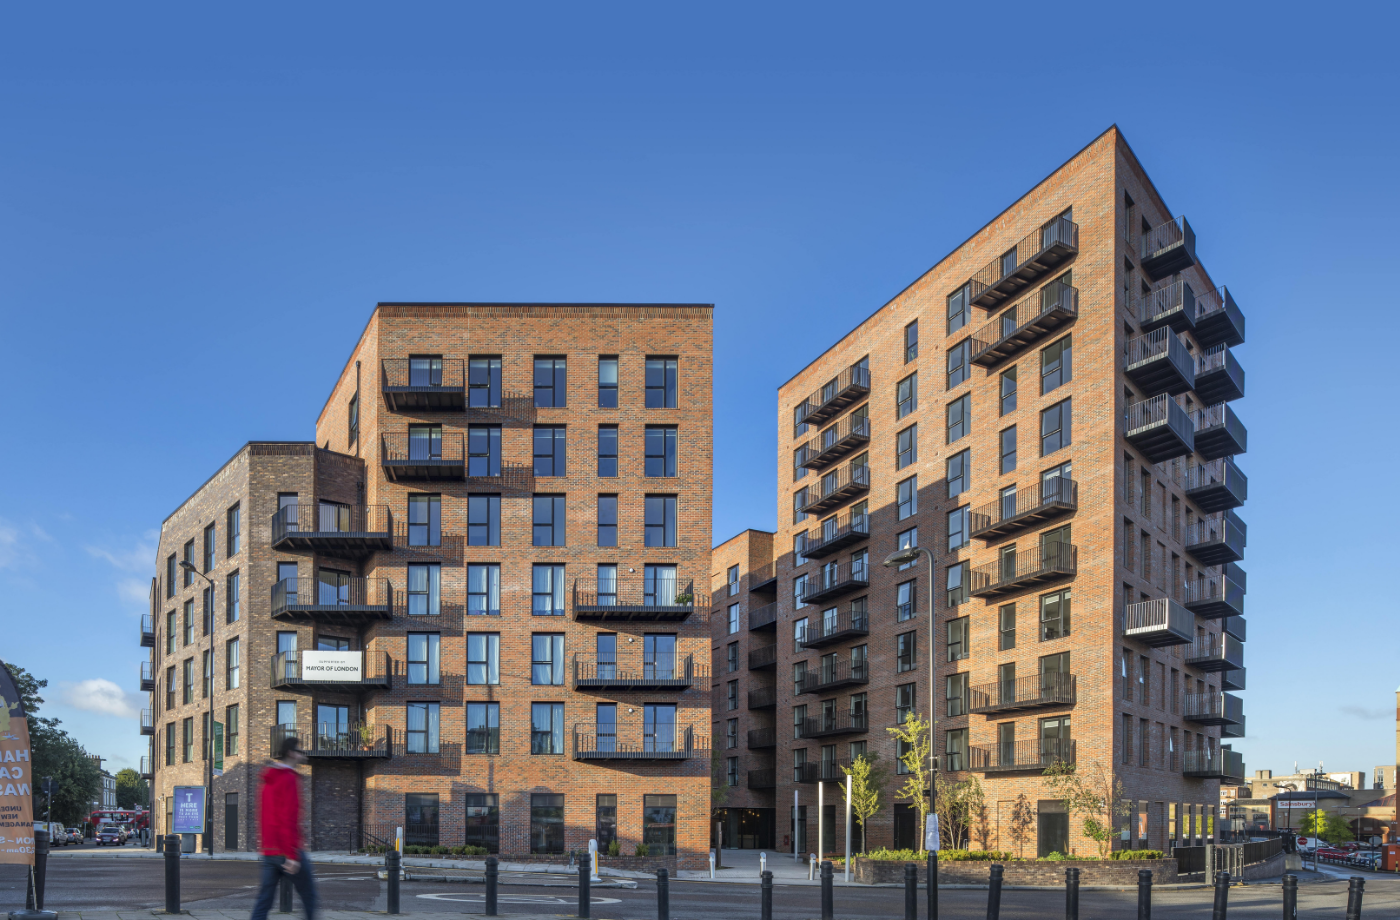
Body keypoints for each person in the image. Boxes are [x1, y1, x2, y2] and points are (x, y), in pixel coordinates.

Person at [250, 735, 317, 920]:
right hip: (287, 850)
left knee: (264, 900)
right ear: (291, 753)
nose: (303, 755)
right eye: (299, 751)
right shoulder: (288, 779)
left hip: (269, 851)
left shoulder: (267, 779)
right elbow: (287, 819)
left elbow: (263, 816)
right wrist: (292, 856)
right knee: (309, 896)